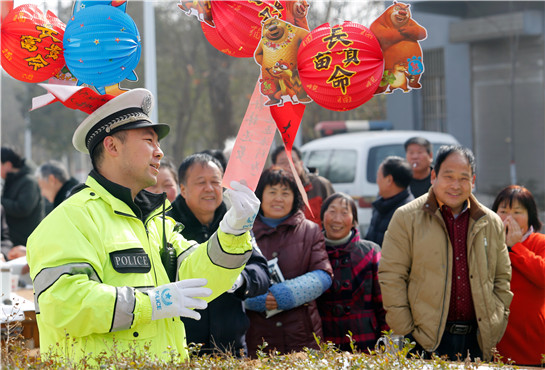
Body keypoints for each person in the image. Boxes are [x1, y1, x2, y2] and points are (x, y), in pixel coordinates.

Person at [26, 88, 260, 362]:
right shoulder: (70, 219)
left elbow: (200, 280)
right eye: (149, 141)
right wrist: (150, 304)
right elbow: (61, 304)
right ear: (112, 146)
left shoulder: (156, 222)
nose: (159, 152)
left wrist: (232, 231)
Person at [378, 145, 512, 361]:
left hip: (476, 340)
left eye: (463, 178)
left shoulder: (490, 221)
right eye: (448, 176)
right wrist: (407, 332)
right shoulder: (407, 217)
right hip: (423, 341)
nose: (455, 185)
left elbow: (502, 278)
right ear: (434, 176)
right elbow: (391, 276)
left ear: (473, 181)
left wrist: (496, 322)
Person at [167, 153, 270, 357]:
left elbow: (261, 272)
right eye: (201, 182)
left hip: (231, 348)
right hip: (181, 349)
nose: (209, 188)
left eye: (215, 182)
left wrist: (237, 280)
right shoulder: (166, 225)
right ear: (183, 188)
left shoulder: (236, 222)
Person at [244, 167, 333, 356]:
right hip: (258, 336)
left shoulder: (310, 230)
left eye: (286, 193)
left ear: (295, 198)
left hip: (303, 336)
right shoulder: (243, 231)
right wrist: (252, 299)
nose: (279, 198)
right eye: (272, 192)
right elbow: (229, 277)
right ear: (260, 195)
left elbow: (323, 274)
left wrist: (283, 296)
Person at [317, 193, 388, 352]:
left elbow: (384, 304)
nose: (337, 219)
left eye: (344, 212)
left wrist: (387, 342)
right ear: (322, 217)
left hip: (366, 342)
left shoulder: (370, 252)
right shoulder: (313, 252)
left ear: (354, 220)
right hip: (324, 343)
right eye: (332, 211)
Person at [492, 185, 545, 366]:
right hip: (497, 337)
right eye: (503, 211)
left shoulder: (539, 242)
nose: (509, 218)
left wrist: (516, 247)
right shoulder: (487, 243)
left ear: (530, 215)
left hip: (531, 338)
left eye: (517, 212)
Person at [271, 145, 334, 227]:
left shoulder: (320, 185)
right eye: (283, 162)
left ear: (301, 163)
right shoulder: (268, 190)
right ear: (273, 167)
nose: (289, 166)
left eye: (293, 161)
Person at [365, 156, 414, 246]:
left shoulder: (408, 212)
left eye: (378, 176)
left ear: (389, 180)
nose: (377, 181)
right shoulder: (381, 201)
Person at [1, 146, 44, 246]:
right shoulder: (10, 181)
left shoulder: (29, 181)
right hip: (12, 242)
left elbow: (23, 208)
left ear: (7, 165)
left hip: (26, 243)